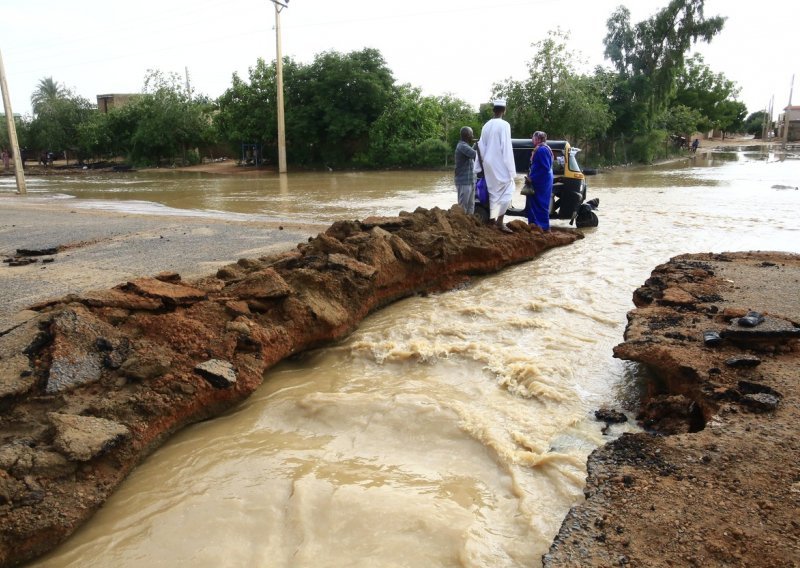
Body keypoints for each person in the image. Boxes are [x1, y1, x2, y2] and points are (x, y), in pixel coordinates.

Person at [474, 98, 516, 233]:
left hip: (488, 163)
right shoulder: (505, 125)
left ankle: (492, 220)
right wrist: (511, 170)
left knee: (493, 193)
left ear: (494, 110)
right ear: (504, 110)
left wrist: (479, 167)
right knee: (508, 189)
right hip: (500, 162)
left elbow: (481, 145)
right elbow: (506, 148)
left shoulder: (486, 125)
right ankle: (499, 222)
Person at [525, 130, 554, 231]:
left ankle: (543, 227)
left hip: (541, 181)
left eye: (533, 137)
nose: (532, 139)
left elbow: (545, 168)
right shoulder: (544, 148)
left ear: (538, 139)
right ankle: (535, 225)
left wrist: (532, 178)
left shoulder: (542, 150)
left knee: (540, 203)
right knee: (535, 203)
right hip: (542, 180)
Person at [454, 126, 476, 214]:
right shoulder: (462, 146)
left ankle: (469, 226)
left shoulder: (465, 146)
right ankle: (461, 226)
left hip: (470, 181)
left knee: (471, 206)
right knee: (462, 207)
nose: (473, 136)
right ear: (467, 135)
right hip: (464, 181)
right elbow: (475, 154)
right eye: (472, 134)